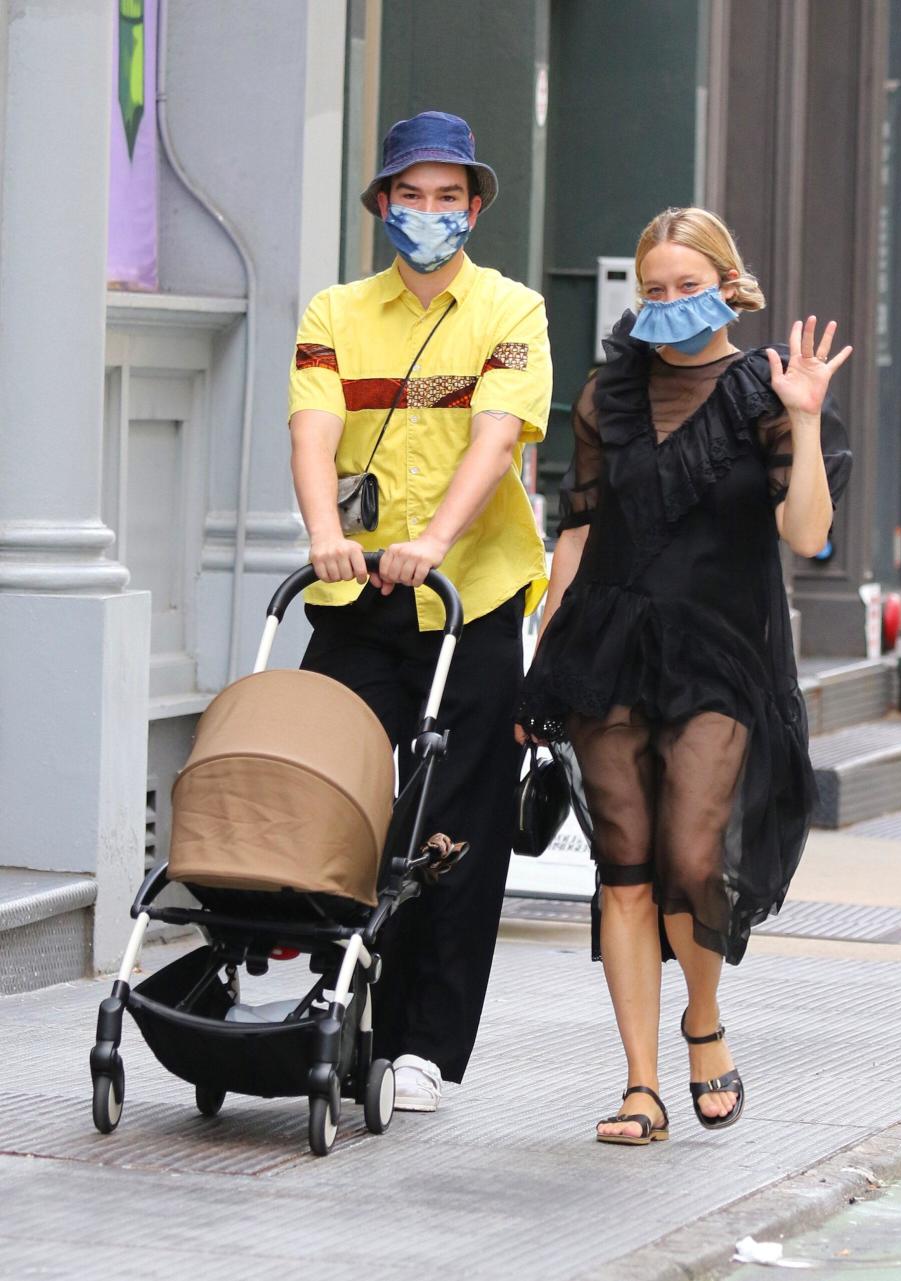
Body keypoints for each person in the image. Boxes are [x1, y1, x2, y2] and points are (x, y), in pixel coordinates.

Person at [516, 207, 852, 1145]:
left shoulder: (766, 391)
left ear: (727, 286)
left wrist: (805, 418)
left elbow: (809, 535)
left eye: (686, 287)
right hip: (608, 645)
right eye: (652, 290)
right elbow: (576, 534)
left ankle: (703, 1020)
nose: (666, 305)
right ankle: (639, 1083)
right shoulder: (604, 399)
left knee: (693, 859)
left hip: (723, 653)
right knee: (624, 868)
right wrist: (542, 667)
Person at [288, 111, 552, 1111]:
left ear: (475, 208)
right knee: (331, 793)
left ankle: (425, 1045)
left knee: (455, 821)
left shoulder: (510, 311)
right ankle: (335, 1001)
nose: (429, 215)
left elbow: (495, 440)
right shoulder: (335, 312)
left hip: (469, 598)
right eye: (411, 197)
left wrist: (435, 542)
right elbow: (314, 433)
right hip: (355, 596)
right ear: (382, 206)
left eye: (449, 199)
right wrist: (325, 531)